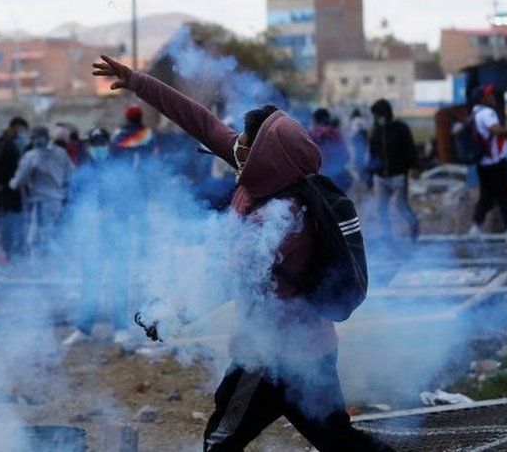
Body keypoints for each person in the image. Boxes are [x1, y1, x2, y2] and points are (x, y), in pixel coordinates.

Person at [93, 55, 392, 451]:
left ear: (268, 156)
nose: (235, 150)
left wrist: (170, 316)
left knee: (220, 442)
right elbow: (201, 122)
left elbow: (226, 281)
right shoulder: (270, 177)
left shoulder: (281, 220)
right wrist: (138, 81)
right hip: (314, 350)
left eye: (245, 147)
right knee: (338, 441)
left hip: (269, 359)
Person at [64, 128, 132, 346]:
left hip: (116, 234)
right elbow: (72, 203)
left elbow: (132, 200)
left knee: (118, 281)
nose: (99, 148)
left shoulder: (120, 171)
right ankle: (83, 328)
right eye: (95, 144)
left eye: (102, 143)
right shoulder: (82, 173)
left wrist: (116, 212)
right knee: (90, 282)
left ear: (107, 145)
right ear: (90, 146)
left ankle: (121, 328)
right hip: (91, 235)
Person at [468, 84, 507, 238]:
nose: (493, 97)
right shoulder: (488, 113)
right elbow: (498, 131)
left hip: (483, 163)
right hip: (496, 162)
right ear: (482, 98)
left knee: (488, 197)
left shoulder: (474, 113)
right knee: (506, 195)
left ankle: (475, 229)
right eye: (489, 95)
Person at [9, 126, 74, 263]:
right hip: (57, 201)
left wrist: (11, 183)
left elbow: (20, 180)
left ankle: (56, 265)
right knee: (44, 236)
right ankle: (45, 267)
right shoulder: (61, 153)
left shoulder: (31, 156)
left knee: (39, 238)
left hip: (42, 202)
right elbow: (71, 175)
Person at [368, 99, 420, 240]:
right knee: (381, 207)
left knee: (400, 204)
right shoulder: (375, 131)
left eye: (379, 115)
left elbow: (410, 149)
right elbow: (372, 154)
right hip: (380, 177)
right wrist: (369, 177)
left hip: (398, 175)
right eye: (376, 116)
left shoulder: (401, 128)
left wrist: (415, 166)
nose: (378, 118)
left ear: (387, 113)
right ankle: (387, 235)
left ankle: (413, 225)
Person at [0, 117, 29, 259]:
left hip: (16, 190)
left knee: (18, 222)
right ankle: (10, 252)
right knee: (10, 223)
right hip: (8, 190)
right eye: (19, 130)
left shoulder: (20, 145)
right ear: (12, 128)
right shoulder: (5, 144)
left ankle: (15, 252)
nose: (21, 133)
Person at [309, 108, 352, 193]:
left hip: (316, 181)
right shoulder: (335, 134)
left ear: (314, 120)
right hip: (337, 181)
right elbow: (346, 156)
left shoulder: (309, 135)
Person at [348, 109, 370, 186]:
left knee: (357, 161)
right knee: (362, 160)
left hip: (357, 141)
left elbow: (353, 133)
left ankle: (360, 180)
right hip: (363, 142)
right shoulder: (363, 120)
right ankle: (364, 180)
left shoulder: (354, 121)